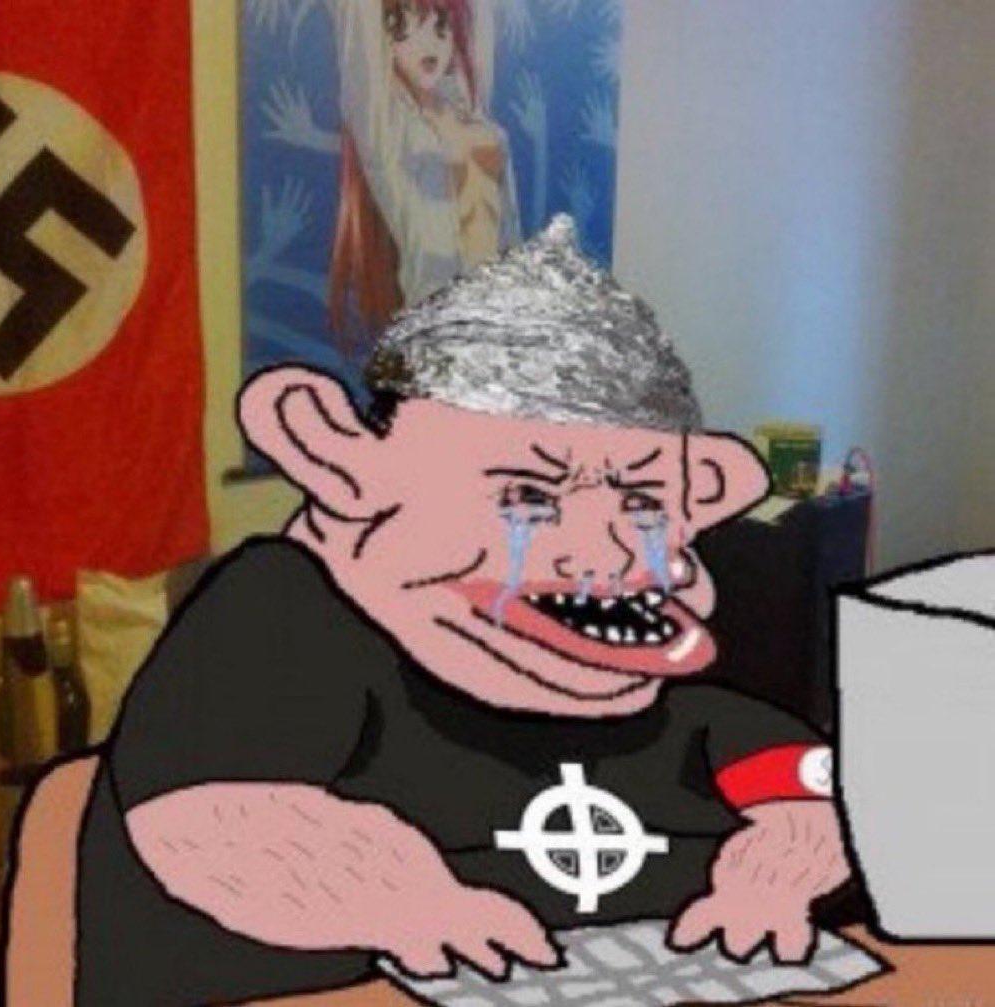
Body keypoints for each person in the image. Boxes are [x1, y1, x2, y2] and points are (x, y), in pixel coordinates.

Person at [74, 217, 852, 1004]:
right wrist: (407, 901)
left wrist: (779, 870)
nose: (606, 554)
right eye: (529, 496)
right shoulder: (285, 610)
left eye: (644, 503)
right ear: (335, 456)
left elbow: (801, 782)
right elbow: (215, 813)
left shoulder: (657, 689)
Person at [328, 0, 521, 356]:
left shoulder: (479, 121)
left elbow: (511, 238)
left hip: (501, 327)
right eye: (403, 29)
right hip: (436, 334)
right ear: (384, 41)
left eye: (441, 26)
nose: (428, 44)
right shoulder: (390, 134)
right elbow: (359, 31)